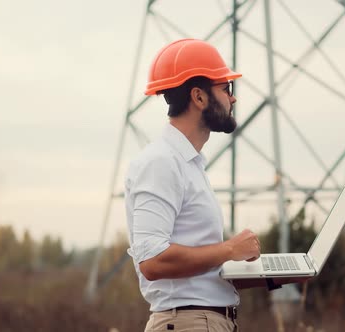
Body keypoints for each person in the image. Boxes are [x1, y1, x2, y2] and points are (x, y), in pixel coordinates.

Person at [124, 39, 303, 332]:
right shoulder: (161, 163)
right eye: (226, 89)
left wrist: (251, 269)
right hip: (188, 324)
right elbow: (153, 261)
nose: (233, 99)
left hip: (203, 321)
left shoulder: (188, 164)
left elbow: (195, 269)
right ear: (199, 97)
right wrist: (229, 249)